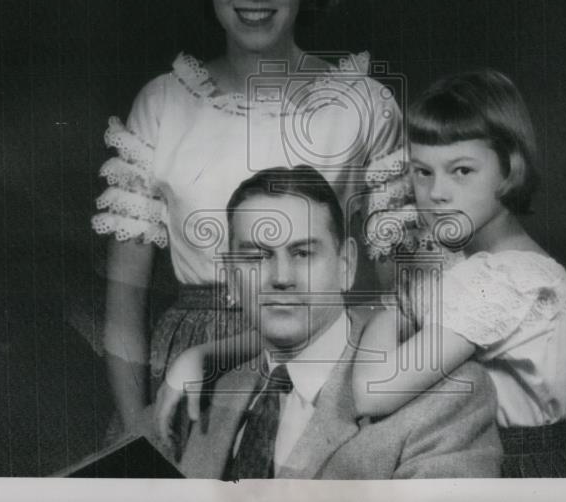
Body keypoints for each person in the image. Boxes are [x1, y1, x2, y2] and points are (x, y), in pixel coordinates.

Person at [90, 0, 403, 439]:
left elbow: (401, 293)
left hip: (317, 355)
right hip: (184, 373)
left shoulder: (364, 105)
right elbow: (123, 304)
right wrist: (138, 428)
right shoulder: (162, 104)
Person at [175, 166, 503, 479]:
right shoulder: (205, 389)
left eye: (303, 253)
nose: (281, 278)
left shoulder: (445, 397)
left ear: (345, 266)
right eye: (256, 257)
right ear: (230, 278)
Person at [354, 68, 566, 477]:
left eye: (462, 170)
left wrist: (391, 310)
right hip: (492, 460)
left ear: (510, 168)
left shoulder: (504, 277)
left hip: (512, 471)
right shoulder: (478, 264)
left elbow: (371, 392)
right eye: (422, 171)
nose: (437, 193)